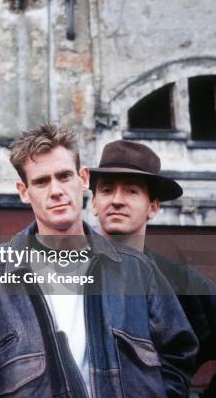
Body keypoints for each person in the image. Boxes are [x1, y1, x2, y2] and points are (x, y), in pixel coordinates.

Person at [0, 124, 198, 397]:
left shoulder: (137, 269)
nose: (56, 191)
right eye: (41, 181)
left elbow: (178, 354)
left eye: (64, 176)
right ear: (23, 191)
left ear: (83, 178)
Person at [90, 139, 215, 395]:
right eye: (106, 190)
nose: (117, 200)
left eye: (131, 191)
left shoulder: (184, 285)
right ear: (93, 203)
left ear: (153, 207)